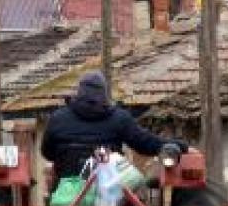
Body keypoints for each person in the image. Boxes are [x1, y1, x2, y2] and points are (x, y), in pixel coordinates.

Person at [40, 70, 186, 185]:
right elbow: (145, 144)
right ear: (104, 94)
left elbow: (47, 153)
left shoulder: (58, 118)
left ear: (79, 93)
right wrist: (181, 146)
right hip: (110, 194)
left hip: (66, 195)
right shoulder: (119, 118)